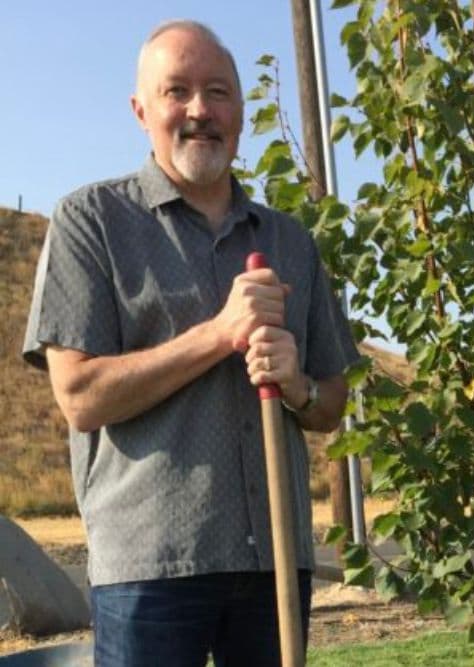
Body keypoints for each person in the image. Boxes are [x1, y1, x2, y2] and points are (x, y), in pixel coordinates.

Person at [22, 19, 359, 667]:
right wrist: (219, 333)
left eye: (219, 92)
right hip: (151, 570)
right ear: (140, 109)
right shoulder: (90, 221)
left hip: (274, 563)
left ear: (240, 113)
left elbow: (331, 403)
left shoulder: (290, 240)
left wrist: (298, 384)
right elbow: (80, 396)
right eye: (177, 90)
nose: (200, 109)